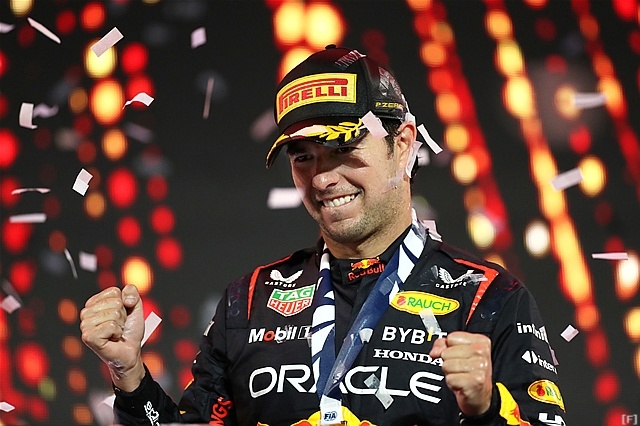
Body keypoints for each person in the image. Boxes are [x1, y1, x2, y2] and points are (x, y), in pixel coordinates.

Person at [80, 45, 566, 426]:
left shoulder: (490, 297)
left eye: (342, 147)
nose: (323, 178)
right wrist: (129, 374)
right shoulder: (248, 302)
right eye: (302, 156)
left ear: (403, 146)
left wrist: (486, 409)